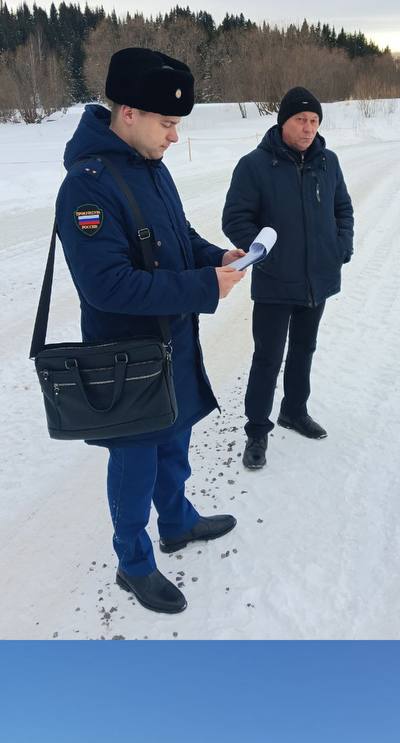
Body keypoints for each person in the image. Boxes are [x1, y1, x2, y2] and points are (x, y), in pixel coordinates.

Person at [56, 47, 246, 615]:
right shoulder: (87, 187)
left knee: (177, 437)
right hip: (127, 355)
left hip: (172, 340)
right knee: (135, 460)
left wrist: (222, 258)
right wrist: (204, 287)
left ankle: (178, 521)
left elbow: (178, 236)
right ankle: (133, 562)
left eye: (179, 124)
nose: (173, 136)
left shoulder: (151, 168)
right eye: (168, 124)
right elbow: (107, 286)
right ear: (129, 112)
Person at [222, 87, 354, 471]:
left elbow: (342, 208)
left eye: (314, 121)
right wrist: (263, 251)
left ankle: (294, 411)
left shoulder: (328, 162)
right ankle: (257, 432)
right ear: (283, 122)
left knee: (304, 350)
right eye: (300, 120)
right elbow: (235, 219)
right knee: (267, 358)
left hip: (317, 279)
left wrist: (340, 247)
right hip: (276, 282)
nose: (308, 127)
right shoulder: (255, 166)